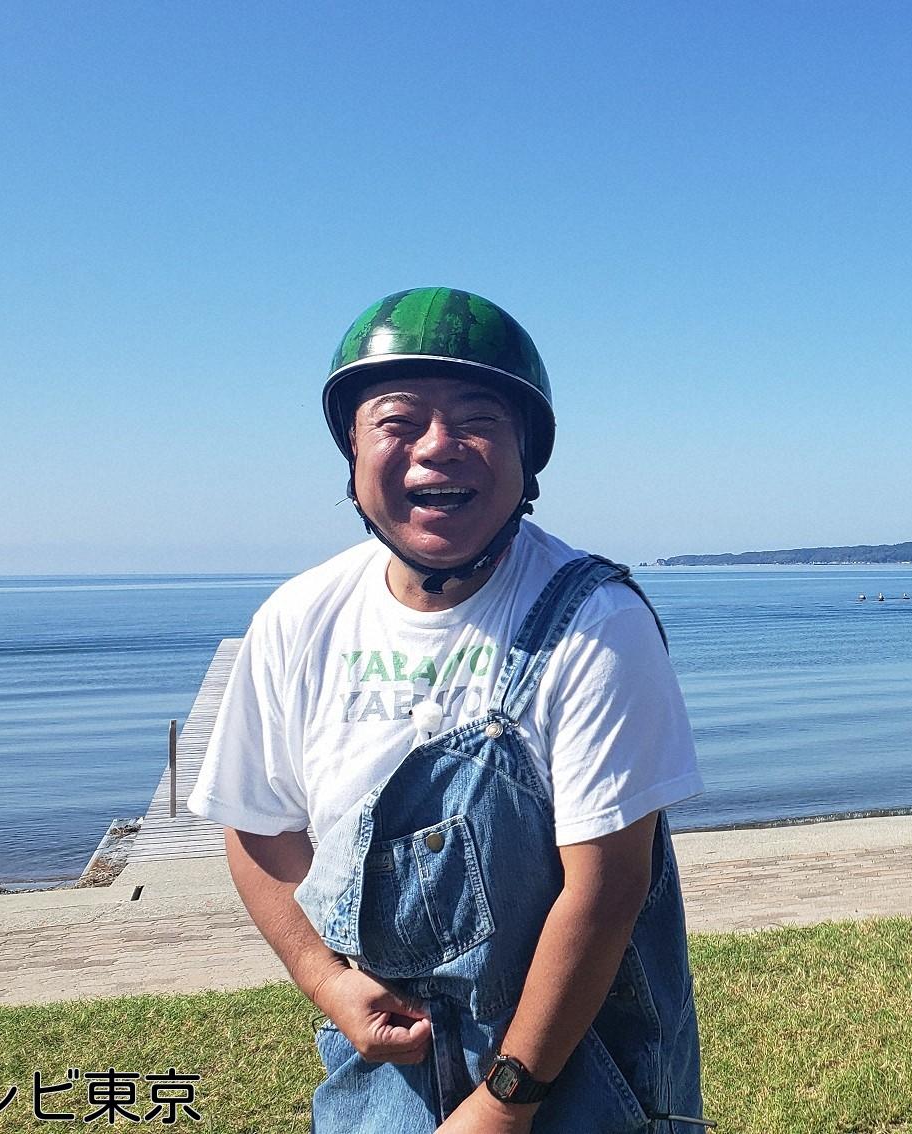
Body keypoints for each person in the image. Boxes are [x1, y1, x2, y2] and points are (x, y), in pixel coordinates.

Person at [188, 287, 708, 1132]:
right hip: (382, 1075)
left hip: (583, 1077)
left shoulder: (597, 624)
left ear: (526, 456)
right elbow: (256, 829)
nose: (439, 448)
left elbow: (608, 889)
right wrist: (329, 982)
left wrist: (507, 1099)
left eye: (478, 419)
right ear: (351, 453)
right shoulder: (296, 619)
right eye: (397, 422)